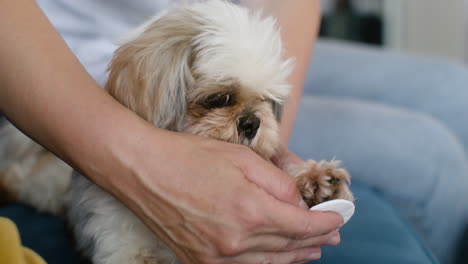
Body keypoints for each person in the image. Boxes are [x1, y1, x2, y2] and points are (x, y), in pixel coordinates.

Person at [1, 0, 468, 264]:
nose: (248, 117)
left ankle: (241, 94)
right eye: (220, 104)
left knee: (456, 92)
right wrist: (139, 158)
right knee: (429, 164)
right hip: (62, 65)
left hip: (230, 37)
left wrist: (272, 146)